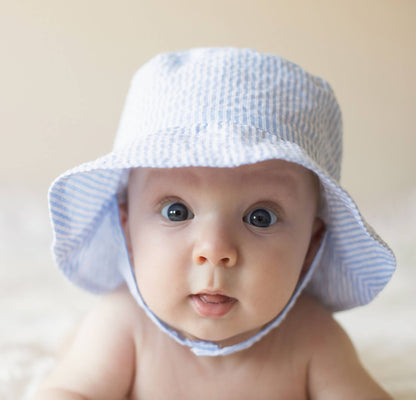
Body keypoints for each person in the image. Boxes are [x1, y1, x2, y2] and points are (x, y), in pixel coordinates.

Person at [33, 47, 396, 399]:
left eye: (260, 217)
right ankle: (69, 342)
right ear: (126, 229)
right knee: (77, 349)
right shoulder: (122, 325)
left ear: (310, 247)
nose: (215, 250)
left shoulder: (313, 338)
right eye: (176, 211)